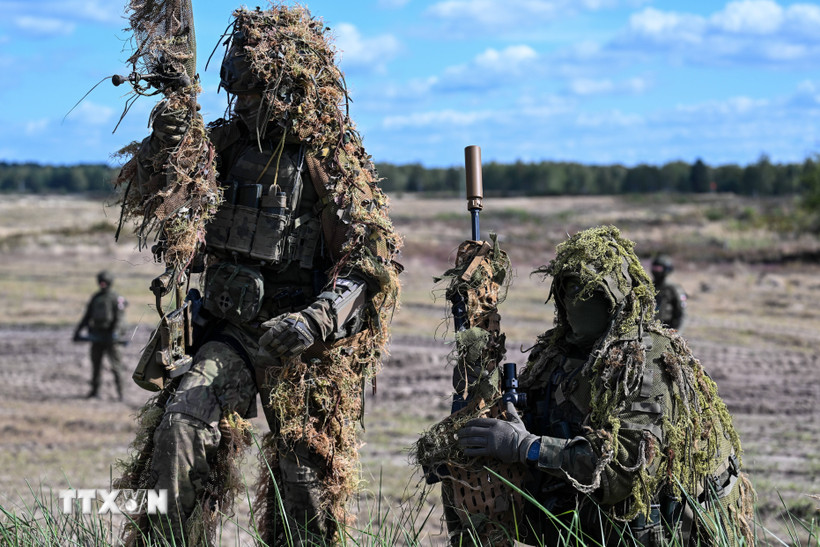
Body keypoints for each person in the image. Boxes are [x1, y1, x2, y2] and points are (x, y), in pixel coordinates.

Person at [117, 5, 400, 546]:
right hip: (231, 333)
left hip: (301, 344)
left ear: (287, 86)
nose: (241, 102)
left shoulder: (329, 156)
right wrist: (169, 139)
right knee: (182, 426)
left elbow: (372, 263)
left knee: (305, 475)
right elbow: (163, 198)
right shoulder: (226, 145)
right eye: (236, 89)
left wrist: (316, 321)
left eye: (253, 91)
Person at [454, 226, 752, 546]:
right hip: (588, 506)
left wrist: (525, 446)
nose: (575, 302)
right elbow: (528, 412)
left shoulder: (647, 364)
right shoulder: (559, 351)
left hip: (665, 523)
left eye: (590, 292)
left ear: (615, 299)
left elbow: (621, 472)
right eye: (569, 288)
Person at [73, 270, 127, 400]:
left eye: (105, 282)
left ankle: (121, 394)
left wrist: (115, 333)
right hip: (97, 336)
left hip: (111, 338)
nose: (102, 285)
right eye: (101, 282)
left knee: (116, 367)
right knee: (96, 365)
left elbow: (119, 318)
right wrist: (78, 331)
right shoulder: (96, 298)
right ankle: (95, 391)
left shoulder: (116, 298)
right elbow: (87, 316)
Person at [651, 254, 687, 331]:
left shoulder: (674, 289)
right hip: (649, 328)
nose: (656, 271)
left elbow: (682, 314)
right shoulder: (649, 286)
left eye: (659, 268)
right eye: (655, 268)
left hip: (667, 330)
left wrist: (677, 333)